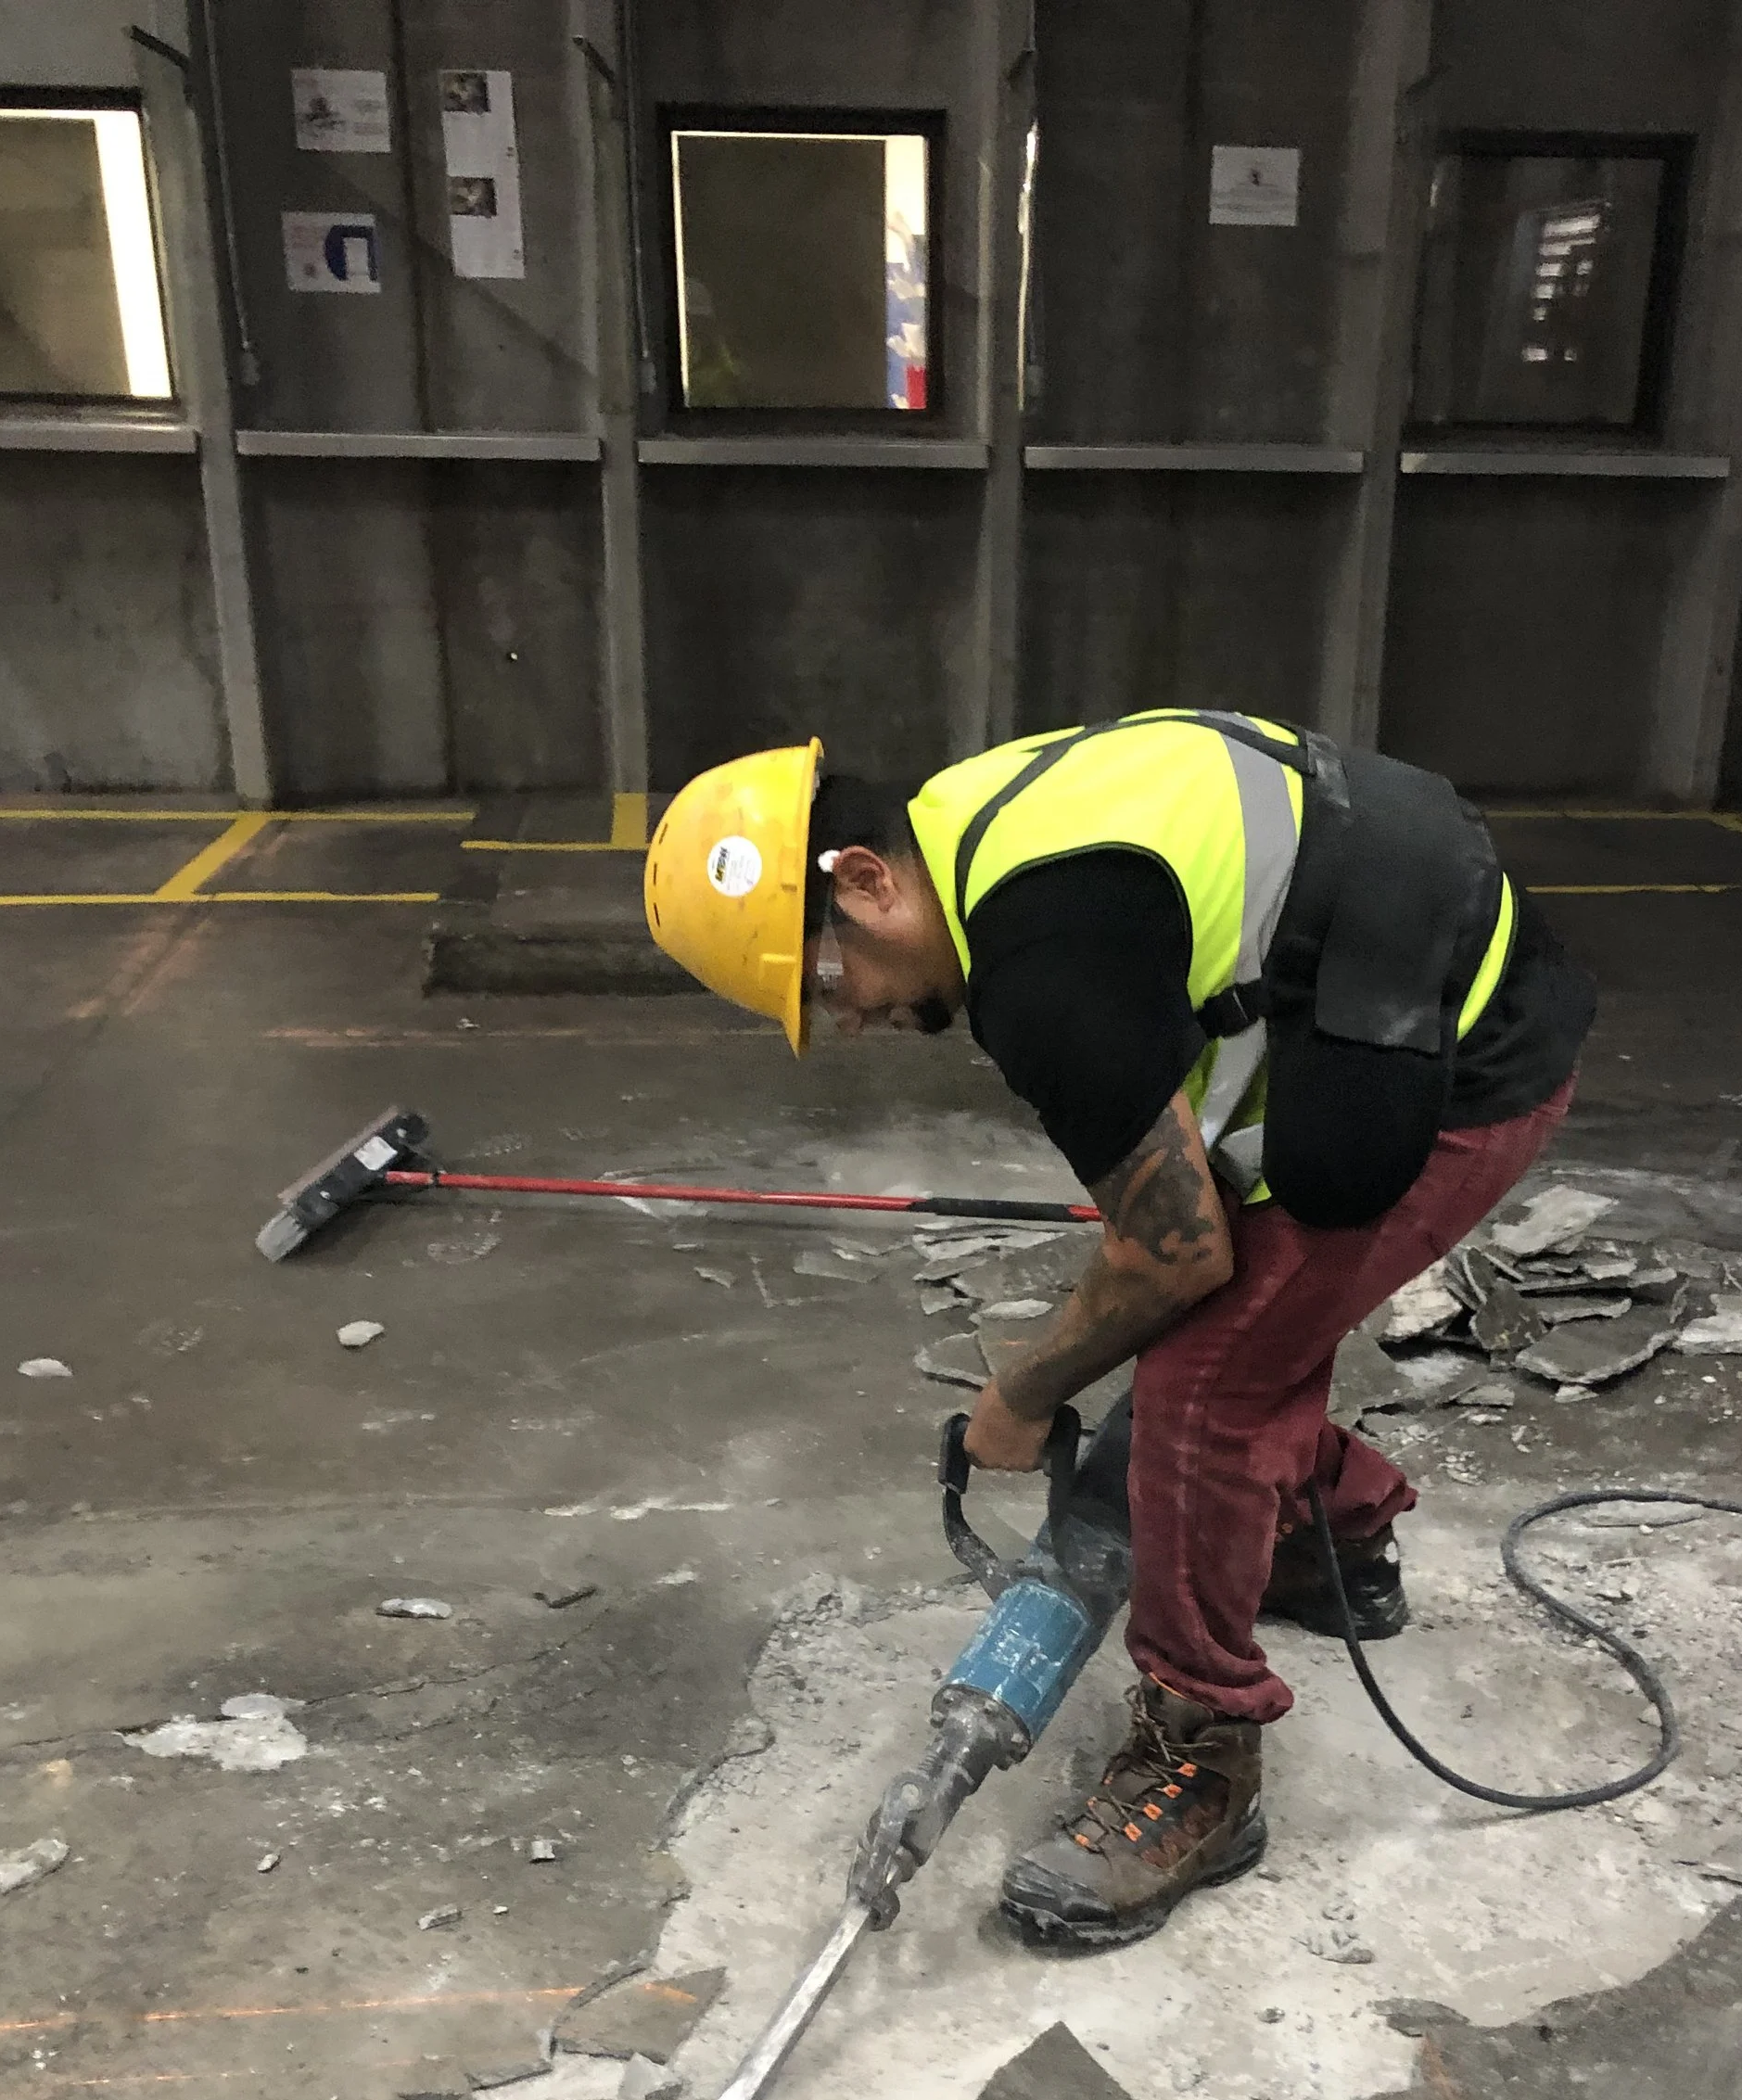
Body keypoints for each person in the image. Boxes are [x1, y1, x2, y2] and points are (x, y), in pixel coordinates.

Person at [642, 710, 1595, 1947]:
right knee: (1238, 1335)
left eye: (828, 981)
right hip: (1396, 973)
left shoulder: (1040, 957)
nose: (850, 1019)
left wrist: (1024, 1392)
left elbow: (1175, 1250)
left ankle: (1204, 1763)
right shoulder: (976, 825)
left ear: (865, 881)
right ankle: (1333, 1541)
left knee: (1201, 1389)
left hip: (1461, 1051)